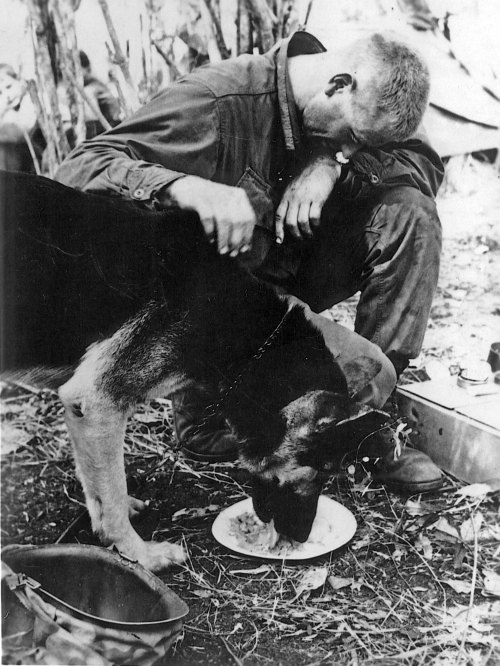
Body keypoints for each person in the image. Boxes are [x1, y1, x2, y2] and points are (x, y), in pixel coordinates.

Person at [55, 30, 444, 493]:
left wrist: (328, 161)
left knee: (411, 214)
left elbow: (424, 164)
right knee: (345, 383)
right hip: (230, 303)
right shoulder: (218, 99)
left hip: (295, 274)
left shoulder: (370, 103)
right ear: (338, 84)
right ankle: (210, 413)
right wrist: (185, 188)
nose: (353, 149)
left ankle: (366, 428)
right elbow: (79, 170)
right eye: (353, 138)